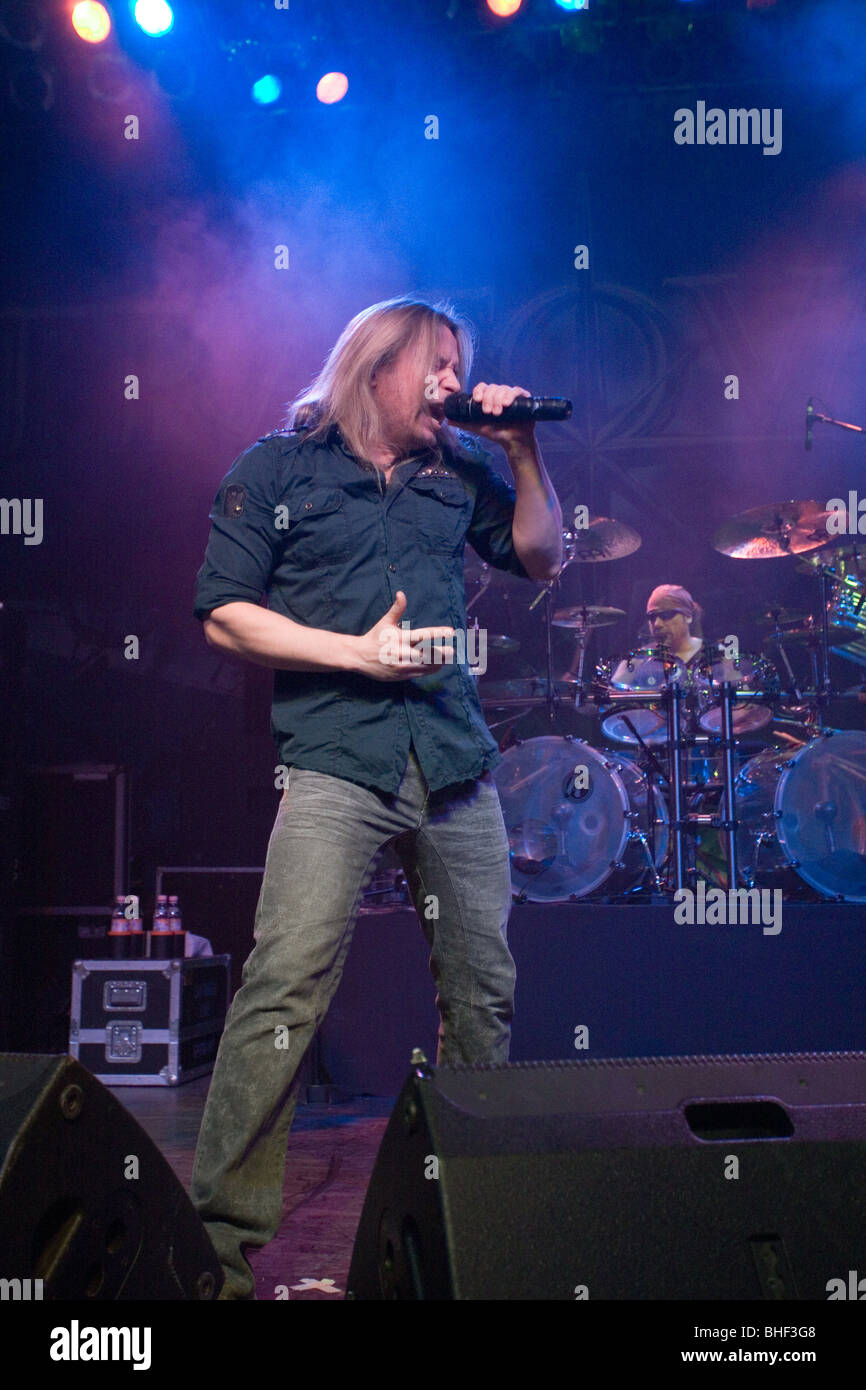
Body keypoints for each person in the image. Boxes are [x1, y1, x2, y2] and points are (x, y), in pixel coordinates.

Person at [188, 295, 563, 1299]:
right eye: (435, 364)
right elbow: (224, 613)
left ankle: (464, 1241)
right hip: (334, 760)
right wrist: (350, 652)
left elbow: (540, 554)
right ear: (374, 365)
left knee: (481, 993)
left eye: (457, 364)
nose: (450, 381)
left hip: (449, 760)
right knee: (284, 987)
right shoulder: (276, 469)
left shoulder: (459, 471)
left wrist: (522, 451)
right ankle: (216, 1262)